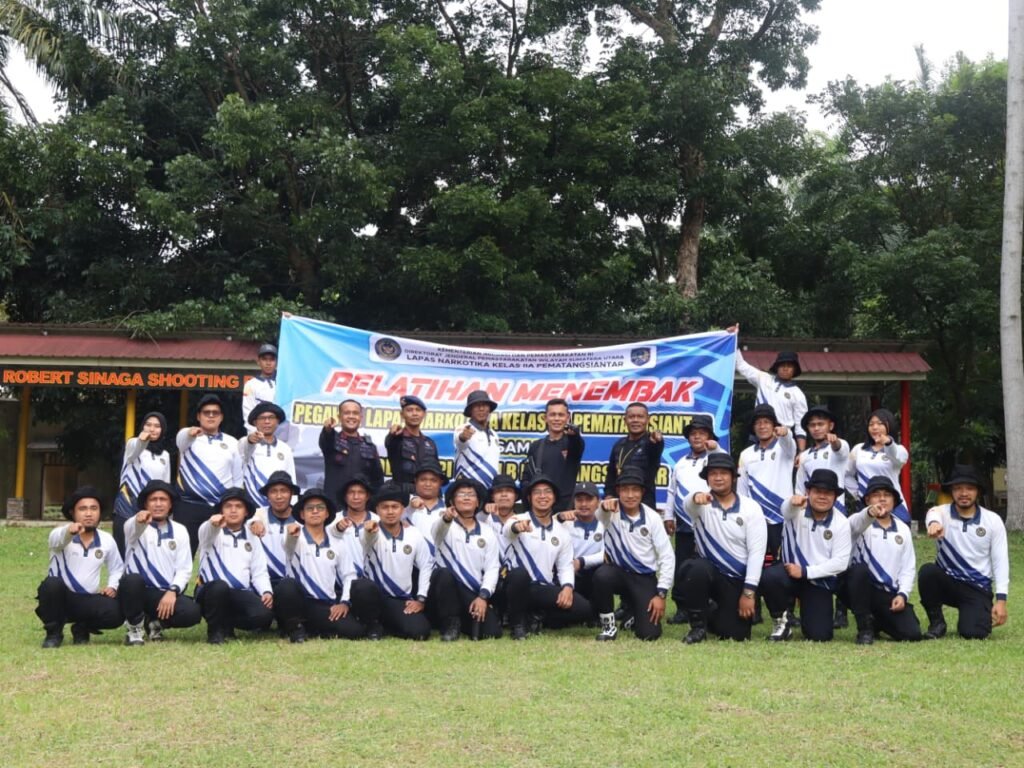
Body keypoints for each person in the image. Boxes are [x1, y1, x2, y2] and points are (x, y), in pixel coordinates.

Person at [676, 454, 768, 643]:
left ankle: (711, 612)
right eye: (713, 473)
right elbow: (688, 504)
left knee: (735, 634)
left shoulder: (751, 508)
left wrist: (748, 593)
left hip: (736, 579)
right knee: (695, 568)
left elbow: (757, 552)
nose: (718, 477)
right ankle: (697, 626)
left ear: (733, 477)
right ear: (707, 478)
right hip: (709, 572)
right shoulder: (701, 504)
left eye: (724, 473)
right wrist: (695, 497)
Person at [760, 469, 852, 642]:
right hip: (789, 574)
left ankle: (809, 616)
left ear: (835, 496)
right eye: (817, 491)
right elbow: (786, 510)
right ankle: (781, 623)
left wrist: (805, 572)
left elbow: (840, 563)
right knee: (770, 577)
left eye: (828, 493)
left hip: (817, 580)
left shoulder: (841, 522)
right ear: (808, 492)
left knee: (820, 635)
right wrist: (792, 502)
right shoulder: (797, 509)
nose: (822, 497)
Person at [919, 465, 1009, 640]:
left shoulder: (992, 520)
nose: (964, 493)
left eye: (969, 488)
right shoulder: (942, 513)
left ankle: (973, 615)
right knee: (927, 572)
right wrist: (933, 524)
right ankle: (937, 623)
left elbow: (1000, 561)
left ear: (977, 491)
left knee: (973, 633)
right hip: (948, 582)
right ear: (951, 491)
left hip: (977, 587)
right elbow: (933, 513)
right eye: (958, 488)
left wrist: (1001, 601)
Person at [503, 475, 592, 639]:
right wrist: (517, 527)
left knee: (584, 608)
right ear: (529, 498)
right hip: (516, 587)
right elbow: (508, 529)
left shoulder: (562, 531)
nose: (542, 496)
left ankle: (537, 618)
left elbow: (565, 566)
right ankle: (518, 625)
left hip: (542, 588)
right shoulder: (518, 518)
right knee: (518, 575)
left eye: (547, 492)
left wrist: (567, 587)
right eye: (537, 492)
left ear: (554, 498)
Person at [591, 469, 675, 642]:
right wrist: (604, 506)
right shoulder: (610, 512)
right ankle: (609, 626)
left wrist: (661, 594)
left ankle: (633, 612)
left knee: (649, 634)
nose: (630, 495)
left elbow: (667, 556)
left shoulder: (652, 517)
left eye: (635, 490)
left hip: (643, 577)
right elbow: (600, 513)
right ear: (618, 491)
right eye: (625, 490)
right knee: (601, 575)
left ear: (642, 492)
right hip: (618, 574)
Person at [36, 487, 125, 648]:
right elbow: (59, 540)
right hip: (61, 600)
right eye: (82, 509)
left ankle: (82, 627)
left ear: (99, 512)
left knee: (117, 613)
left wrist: (112, 586)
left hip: (88, 600)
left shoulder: (107, 540)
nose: (89, 513)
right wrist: (69, 532)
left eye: (94, 508)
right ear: (72, 513)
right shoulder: (58, 534)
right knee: (51, 584)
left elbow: (117, 568)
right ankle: (54, 633)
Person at [274, 488, 366, 642]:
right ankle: (295, 627)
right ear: (302, 514)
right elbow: (288, 543)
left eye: (320, 508)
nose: (315, 511)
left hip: (325, 604)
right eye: (310, 508)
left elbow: (349, 575)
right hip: (301, 602)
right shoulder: (295, 537)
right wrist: (290, 533)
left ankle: (312, 628)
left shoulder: (337, 542)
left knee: (355, 631)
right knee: (286, 586)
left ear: (327, 513)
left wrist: (344, 602)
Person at [840, 476, 922, 644]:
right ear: (868, 499)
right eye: (876, 495)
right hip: (859, 589)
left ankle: (876, 621)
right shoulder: (859, 523)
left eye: (887, 495)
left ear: (894, 500)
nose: (882, 499)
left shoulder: (903, 529)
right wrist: (869, 513)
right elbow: (857, 522)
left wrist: (903, 594)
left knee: (912, 633)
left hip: (887, 594)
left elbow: (908, 567)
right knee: (858, 571)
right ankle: (865, 628)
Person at [118, 480, 201, 645]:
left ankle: (155, 624)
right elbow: (134, 528)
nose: (158, 504)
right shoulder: (132, 526)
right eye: (153, 499)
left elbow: (184, 569)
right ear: (145, 504)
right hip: (137, 592)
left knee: (192, 612)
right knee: (132, 580)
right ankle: (135, 629)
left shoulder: (180, 530)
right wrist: (139, 520)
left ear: (170, 505)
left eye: (163, 499)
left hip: (164, 593)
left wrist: (172, 591)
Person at [353, 481, 434, 640]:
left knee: (421, 632)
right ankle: (373, 624)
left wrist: (421, 598)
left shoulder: (414, 534)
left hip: (400, 600)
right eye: (385, 507)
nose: (390, 511)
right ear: (377, 510)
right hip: (374, 599)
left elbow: (426, 566)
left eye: (394, 507)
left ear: (402, 509)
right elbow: (366, 538)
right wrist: (369, 531)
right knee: (361, 586)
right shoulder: (369, 530)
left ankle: (387, 624)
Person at [195, 488, 276, 644]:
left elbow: (259, 570)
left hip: (239, 593)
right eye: (228, 506)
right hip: (210, 593)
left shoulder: (252, 535)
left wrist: (266, 591)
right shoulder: (211, 530)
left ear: (246, 512)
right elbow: (206, 533)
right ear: (221, 510)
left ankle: (227, 624)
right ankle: (215, 632)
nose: (233, 510)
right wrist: (213, 524)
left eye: (238, 506)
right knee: (219, 587)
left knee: (263, 616)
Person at [665, 414, 724, 623]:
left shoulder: (716, 457)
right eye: (693, 433)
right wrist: (668, 516)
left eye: (702, 433)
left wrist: (714, 448)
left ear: (710, 436)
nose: (697, 437)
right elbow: (672, 491)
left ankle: (710, 604)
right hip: (683, 526)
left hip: (710, 524)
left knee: (708, 565)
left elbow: (725, 463)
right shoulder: (680, 463)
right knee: (681, 566)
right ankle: (682, 608)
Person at [430, 477, 502, 640]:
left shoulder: (487, 531)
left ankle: (462, 620)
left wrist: (483, 596)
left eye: (471, 494)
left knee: (492, 632)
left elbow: (492, 568)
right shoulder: (444, 524)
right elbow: (436, 531)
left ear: (478, 502)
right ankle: (450, 623)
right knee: (443, 574)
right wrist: (447, 518)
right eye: (461, 494)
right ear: (452, 501)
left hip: (472, 592)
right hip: (447, 589)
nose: (467, 497)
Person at [176, 393, 243, 556]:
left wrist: (233, 505)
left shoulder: (233, 443)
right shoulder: (188, 439)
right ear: (198, 416)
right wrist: (191, 433)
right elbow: (182, 438)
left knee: (219, 555)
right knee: (182, 557)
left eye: (215, 413)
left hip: (219, 508)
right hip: (188, 506)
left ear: (221, 417)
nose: (211, 416)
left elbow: (238, 478)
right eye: (206, 412)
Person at [728, 324, 808, 451]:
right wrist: (734, 339)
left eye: (789, 365)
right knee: (745, 467)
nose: (785, 368)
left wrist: (802, 453)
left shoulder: (798, 394)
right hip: (757, 434)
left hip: (782, 438)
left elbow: (801, 425)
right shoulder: (764, 379)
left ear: (795, 369)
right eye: (782, 365)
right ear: (776, 367)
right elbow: (741, 366)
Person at [737, 404, 795, 561]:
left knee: (782, 563)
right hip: (755, 519)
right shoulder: (746, 454)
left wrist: (786, 433)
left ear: (774, 425)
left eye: (767, 422)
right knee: (754, 562)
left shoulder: (785, 449)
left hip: (781, 517)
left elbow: (789, 442)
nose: (762, 426)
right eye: (758, 423)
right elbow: (741, 489)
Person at [114, 410, 173, 557]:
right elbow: (136, 447)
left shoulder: (164, 455)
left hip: (152, 507)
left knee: (148, 552)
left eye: (157, 426)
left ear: (163, 429)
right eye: (148, 425)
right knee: (123, 552)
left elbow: (165, 485)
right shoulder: (132, 446)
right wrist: (141, 440)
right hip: (127, 505)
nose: (152, 429)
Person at [846, 408, 911, 523]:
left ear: (889, 425)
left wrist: (888, 443)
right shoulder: (858, 449)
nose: (875, 427)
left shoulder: (900, 450)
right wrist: (859, 493)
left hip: (893, 505)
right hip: (867, 505)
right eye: (871, 424)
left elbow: (896, 458)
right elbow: (846, 474)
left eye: (880, 424)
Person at [520, 398, 585, 511]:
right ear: (545, 418)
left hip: (565, 511)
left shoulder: (572, 443)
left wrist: (574, 435)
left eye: (561, 415)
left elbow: (577, 444)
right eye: (552, 415)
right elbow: (526, 477)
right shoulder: (536, 446)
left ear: (567, 417)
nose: (556, 419)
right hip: (539, 509)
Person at [320, 399, 384, 506]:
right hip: (335, 508)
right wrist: (327, 429)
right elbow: (326, 438)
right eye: (346, 413)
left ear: (361, 418)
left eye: (355, 413)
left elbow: (378, 480)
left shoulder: (369, 446)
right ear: (339, 417)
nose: (351, 416)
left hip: (362, 509)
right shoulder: (331, 440)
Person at [604, 402, 664, 510]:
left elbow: (656, 447)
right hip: (619, 505)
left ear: (648, 419)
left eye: (640, 417)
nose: (635, 420)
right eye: (631, 417)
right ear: (625, 420)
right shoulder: (618, 445)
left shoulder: (651, 442)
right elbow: (611, 474)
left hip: (645, 505)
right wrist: (609, 495)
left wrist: (657, 439)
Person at [248, 470, 301, 587]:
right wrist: (253, 522)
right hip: (261, 582)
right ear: (267, 495)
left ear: (291, 493)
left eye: (284, 491)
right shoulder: (258, 514)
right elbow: (244, 520)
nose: (278, 496)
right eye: (273, 491)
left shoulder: (302, 518)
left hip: (293, 585)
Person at [241, 402, 296, 509]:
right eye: (262, 418)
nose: (267, 421)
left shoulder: (285, 449)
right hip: (251, 504)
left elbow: (291, 479)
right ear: (255, 422)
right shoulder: (245, 443)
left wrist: (292, 508)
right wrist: (250, 440)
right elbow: (245, 447)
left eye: (271, 417)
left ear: (278, 421)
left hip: (279, 506)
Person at [559, 482, 605, 602]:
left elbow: (607, 555)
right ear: (574, 502)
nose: (584, 504)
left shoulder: (605, 524)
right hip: (568, 574)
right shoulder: (564, 523)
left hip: (592, 575)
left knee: (604, 572)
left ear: (598, 502)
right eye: (579, 500)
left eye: (589, 499)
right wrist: (558, 518)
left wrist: (581, 561)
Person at [385, 395, 439, 493]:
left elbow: (436, 472)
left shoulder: (430, 443)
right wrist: (393, 434)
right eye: (409, 410)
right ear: (402, 414)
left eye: (418, 410)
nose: (414, 414)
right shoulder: (397, 438)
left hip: (426, 494)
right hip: (402, 494)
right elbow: (391, 442)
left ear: (424, 414)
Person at [453, 389, 502, 489]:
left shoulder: (494, 434)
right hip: (468, 489)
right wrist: (463, 437)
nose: (481, 409)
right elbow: (460, 441)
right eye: (476, 406)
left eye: (484, 405)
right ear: (470, 410)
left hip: (489, 490)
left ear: (489, 409)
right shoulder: (463, 428)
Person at [404, 459, 449, 551]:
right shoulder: (402, 502)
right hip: (410, 561)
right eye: (423, 479)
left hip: (441, 562)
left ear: (440, 483)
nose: (428, 484)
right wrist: (410, 506)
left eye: (433, 480)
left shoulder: (449, 507)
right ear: (415, 481)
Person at [242, 342, 278, 429]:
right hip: (259, 433)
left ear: (276, 362)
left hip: (282, 434)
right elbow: (248, 412)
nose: (268, 363)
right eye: (265, 359)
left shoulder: (284, 383)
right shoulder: (250, 385)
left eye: (272, 359)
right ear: (258, 362)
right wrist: (254, 434)